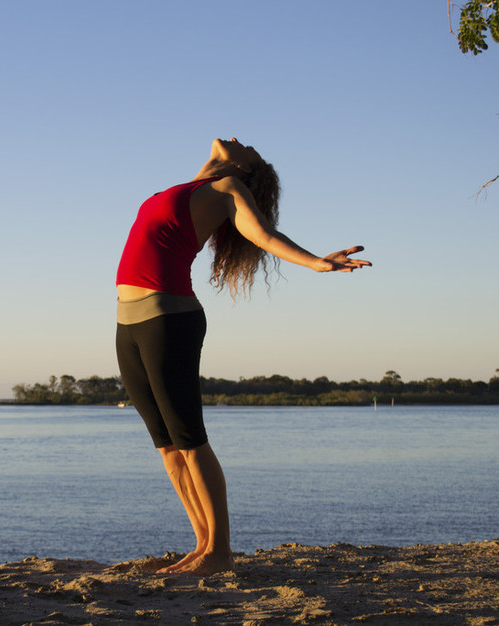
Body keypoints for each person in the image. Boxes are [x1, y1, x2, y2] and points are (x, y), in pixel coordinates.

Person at [115, 137, 371, 575]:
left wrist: (316, 263)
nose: (240, 138)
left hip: (168, 319)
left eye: (250, 147)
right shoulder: (188, 187)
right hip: (128, 323)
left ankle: (221, 551)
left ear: (248, 170)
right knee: (167, 446)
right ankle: (202, 544)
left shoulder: (229, 188)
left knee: (190, 439)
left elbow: (264, 235)